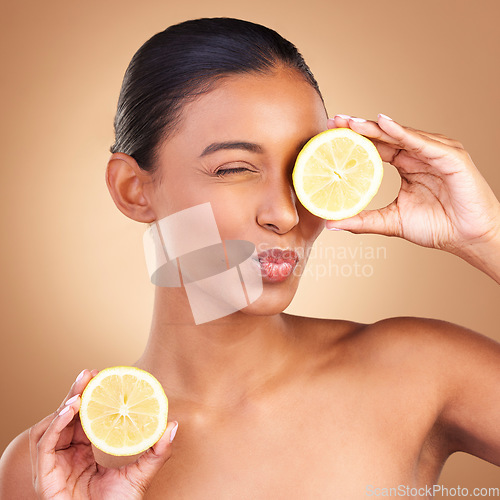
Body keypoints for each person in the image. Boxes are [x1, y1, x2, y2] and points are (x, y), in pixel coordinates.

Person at [0, 17, 499, 499]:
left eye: (305, 167)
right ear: (134, 189)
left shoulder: (416, 370)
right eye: (236, 168)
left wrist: (486, 237)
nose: (285, 213)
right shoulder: (55, 465)